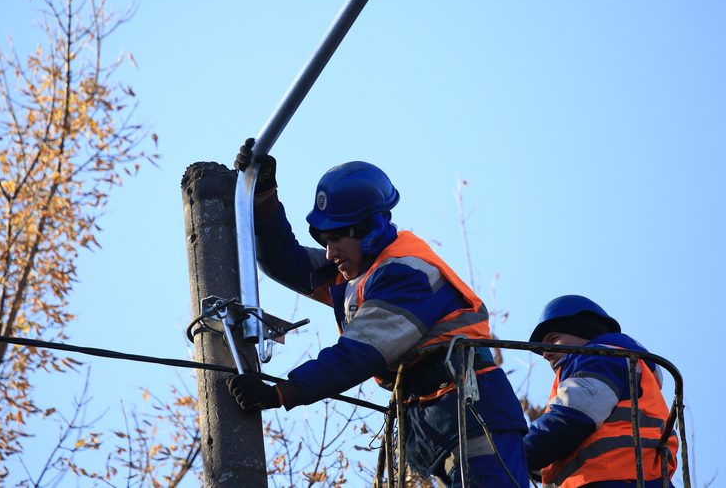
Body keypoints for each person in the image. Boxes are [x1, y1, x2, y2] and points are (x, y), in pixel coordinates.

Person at [226, 139, 529, 487]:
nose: (329, 252)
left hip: (474, 417)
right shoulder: (357, 273)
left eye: (336, 238)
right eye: (324, 239)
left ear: (368, 229)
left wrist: (282, 392)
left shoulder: (404, 273)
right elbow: (284, 261)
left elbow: (359, 353)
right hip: (440, 425)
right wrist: (262, 194)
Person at [524, 295, 679, 488]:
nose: (546, 353)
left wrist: (517, 452)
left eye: (553, 339)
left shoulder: (602, 357)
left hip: (612, 479)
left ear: (583, 330)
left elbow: (572, 418)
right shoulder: (629, 367)